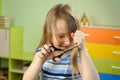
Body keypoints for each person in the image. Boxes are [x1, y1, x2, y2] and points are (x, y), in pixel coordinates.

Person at [23, 3, 100, 80]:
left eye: (71, 35)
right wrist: (40, 61)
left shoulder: (78, 55)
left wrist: (83, 51)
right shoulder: (42, 54)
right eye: (61, 36)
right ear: (49, 33)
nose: (68, 42)